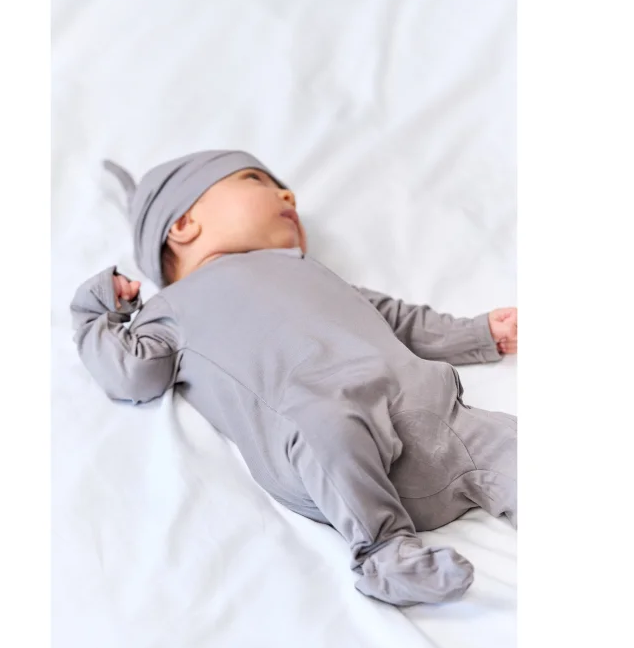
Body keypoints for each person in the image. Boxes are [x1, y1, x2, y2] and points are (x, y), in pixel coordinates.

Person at [71, 150, 517, 607]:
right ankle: (385, 554)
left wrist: (481, 334)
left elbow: (399, 319)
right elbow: (131, 374)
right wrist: (95, 312)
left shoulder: (308, 271)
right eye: (255, 180)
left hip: (432, 414)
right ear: (184, 224)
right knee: (327, 424)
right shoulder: (173, 308)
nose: (288, 196)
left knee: (507, 442)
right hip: (326, 440)